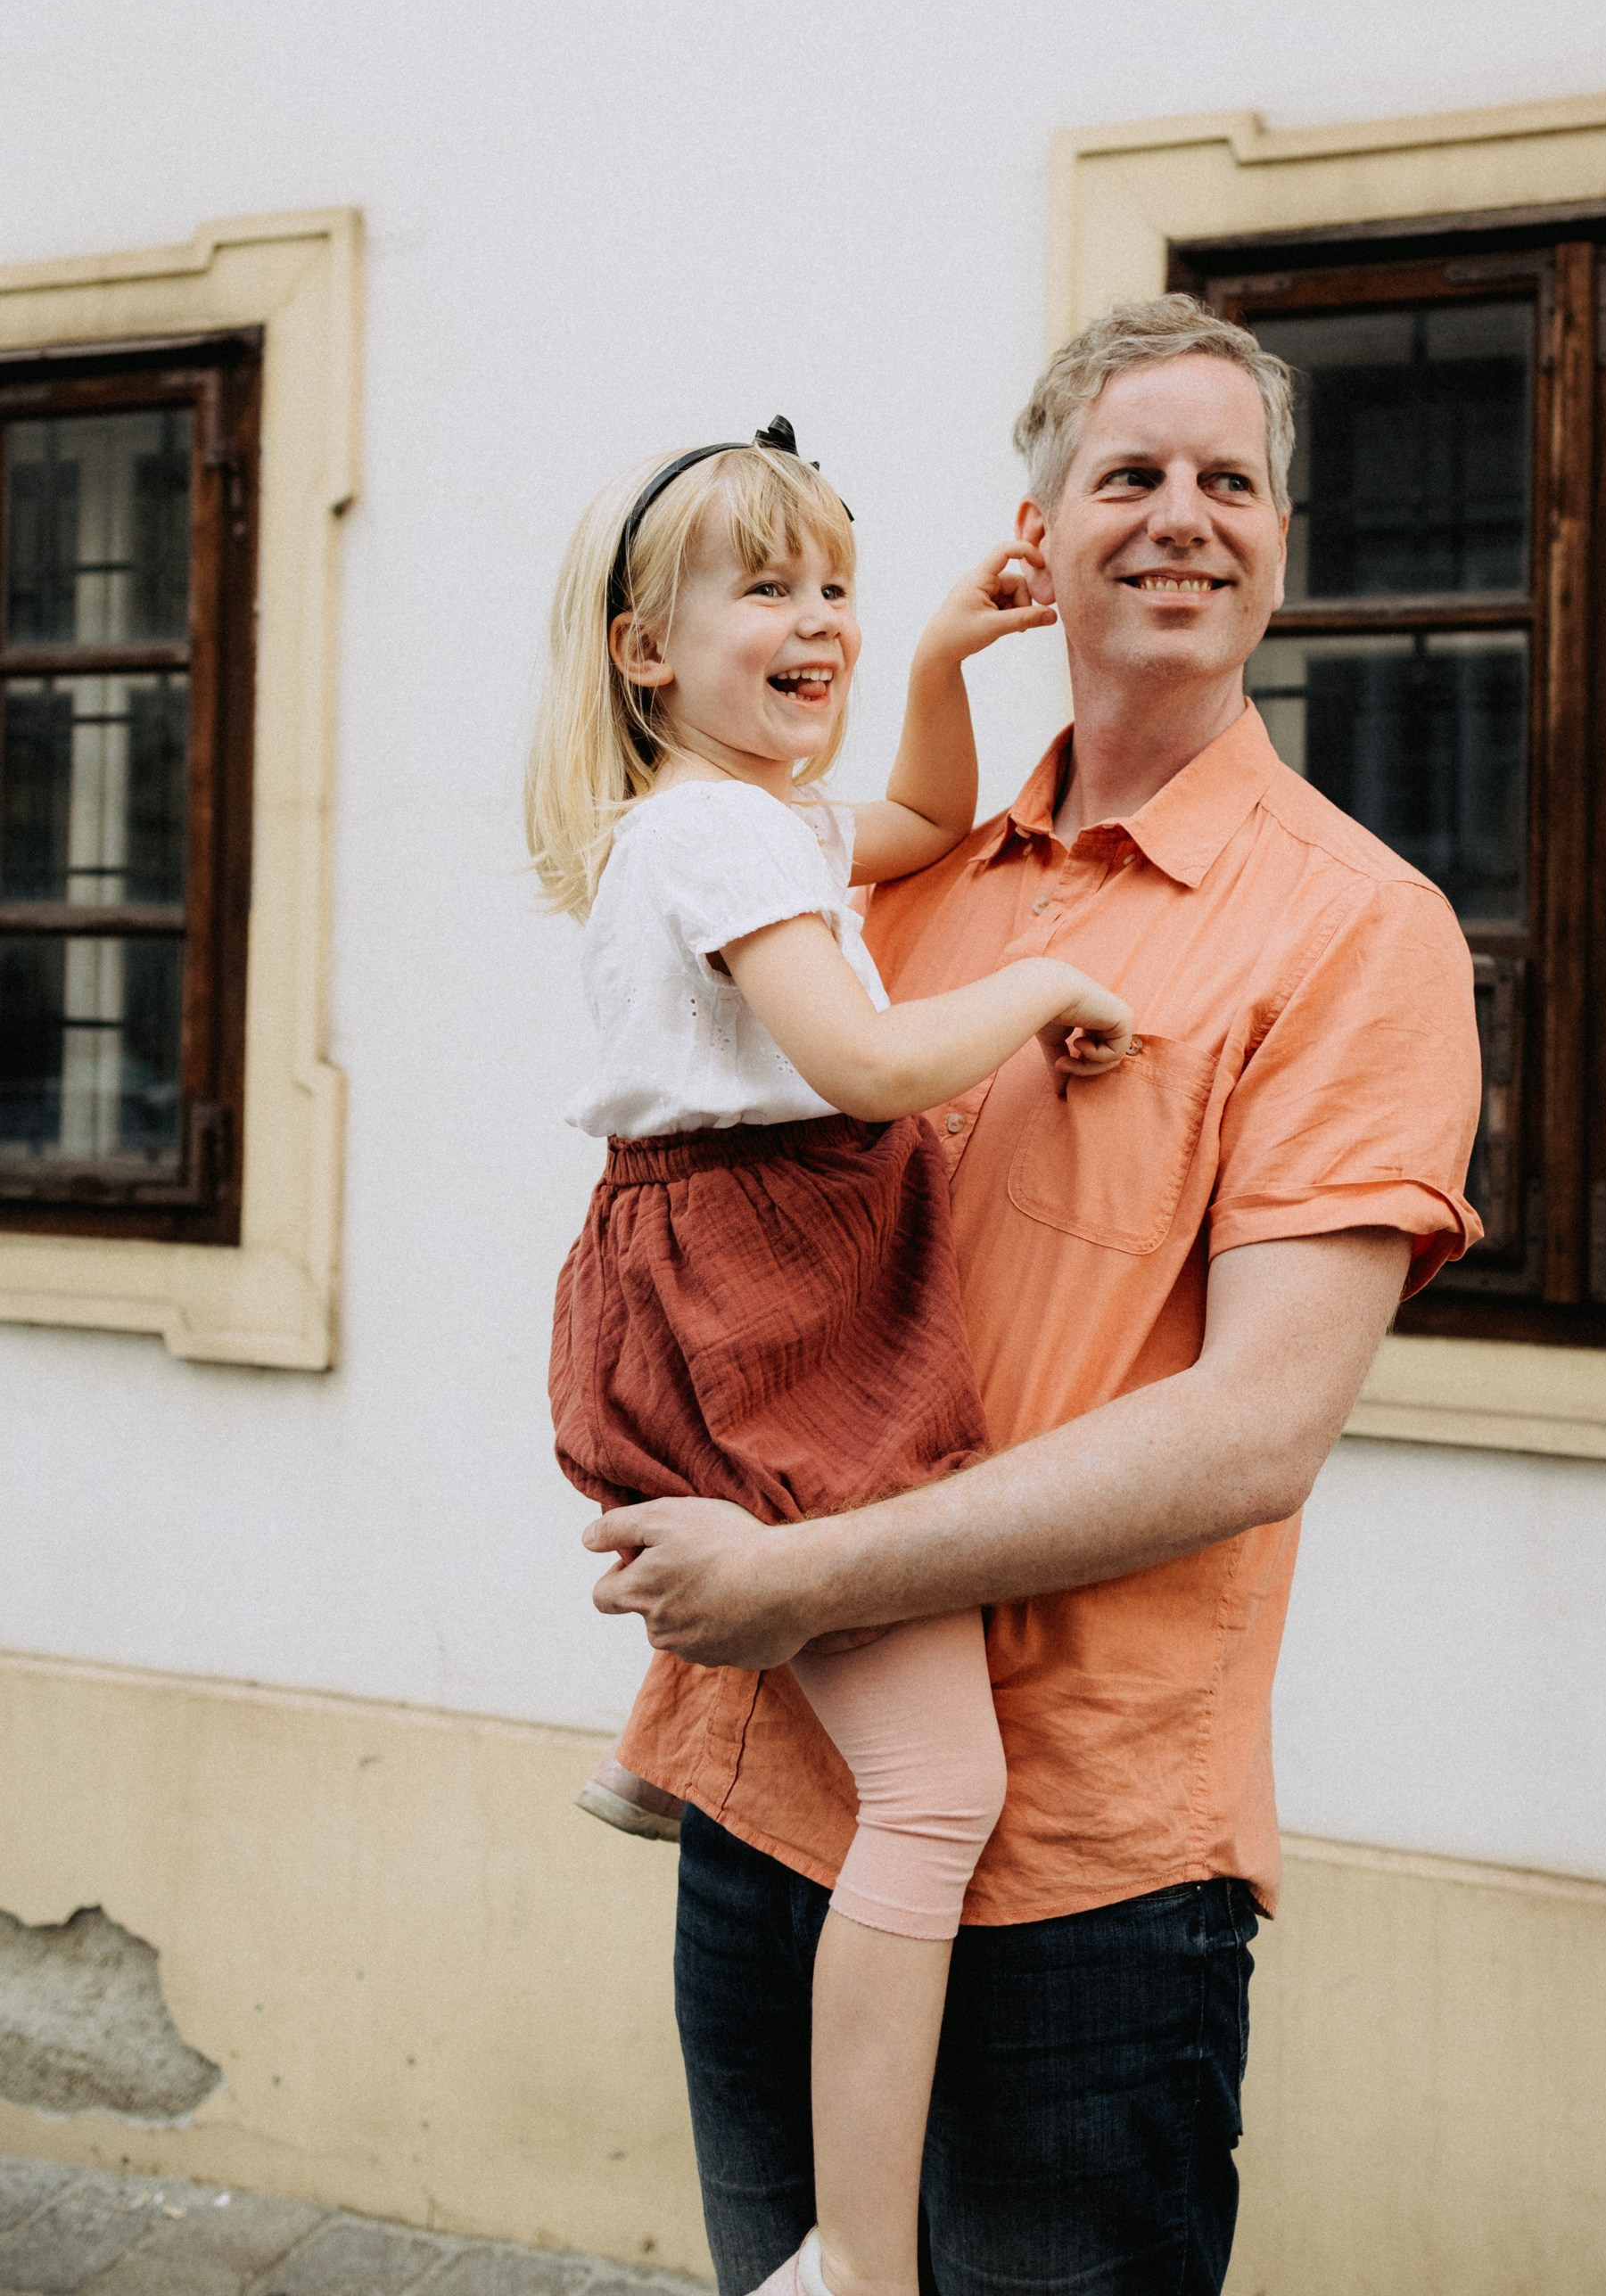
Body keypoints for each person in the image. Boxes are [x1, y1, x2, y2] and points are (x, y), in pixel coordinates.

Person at [585, 298, 1485, 2296]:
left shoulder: (1361, 933)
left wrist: (802, 1573)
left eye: (1230, 480)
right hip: (765, 1811)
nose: (1182, 516)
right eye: (1129, 475)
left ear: (1279, 542)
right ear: (1040, 534)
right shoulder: (892, 880)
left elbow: (1254, 1430)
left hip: (1081, 1880)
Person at [527, 418, 1136, 2296]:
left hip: (741, 1273)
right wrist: (1042, 985)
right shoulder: (714, 830)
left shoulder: (741, 819)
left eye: (836, 589)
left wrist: (941, 655)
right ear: (644, 649)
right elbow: (865, 1067)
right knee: (937, 1794)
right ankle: (858, 2263)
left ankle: (672, 1738)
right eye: (766, 590)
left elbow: (926, 825)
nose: (819, 622)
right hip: (770, 1283)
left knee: (784, 1577)